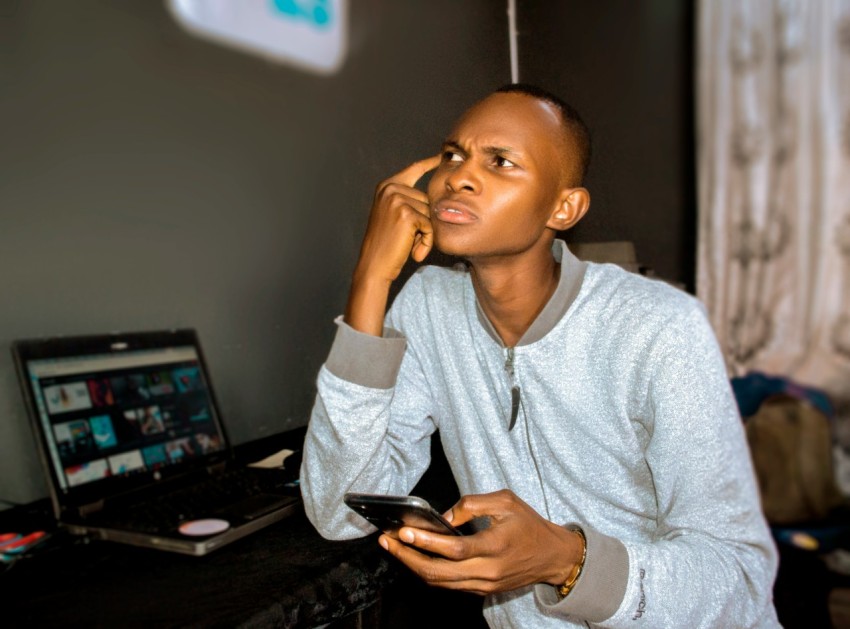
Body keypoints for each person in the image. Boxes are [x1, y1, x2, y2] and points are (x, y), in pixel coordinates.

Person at [300, 83, 780, 628]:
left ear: (564, 207)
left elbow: (738, 582)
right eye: (453, 155)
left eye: (499, 161)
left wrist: (567, 561)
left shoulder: (658, 326)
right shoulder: (428, 308)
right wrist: (370, 280)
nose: (458, 176)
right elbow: (337, 510)